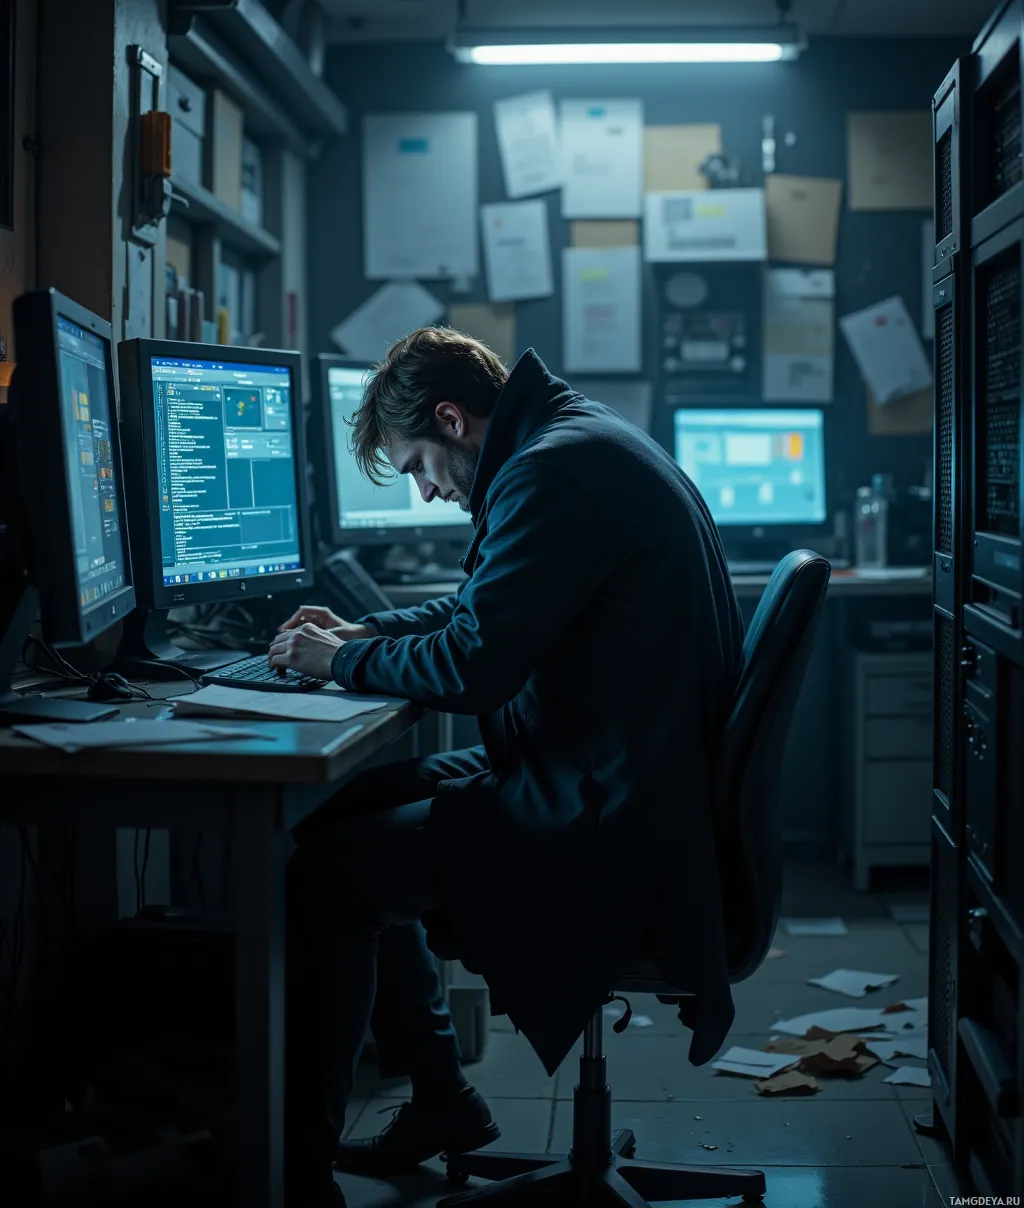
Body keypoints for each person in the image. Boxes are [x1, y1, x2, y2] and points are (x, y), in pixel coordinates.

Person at [272, 329, 744, 1207]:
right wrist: (365, 634)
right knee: (348, 811)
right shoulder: (569, 437)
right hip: (617, 778)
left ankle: (295, 1174)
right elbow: (490, 604)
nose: (425, 489)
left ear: (452, 420)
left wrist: (332, 665)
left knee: (327, 882)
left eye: (418, 464)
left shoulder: (546, 471)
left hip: (605, 811)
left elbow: (475, 666)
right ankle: (443, 1100)